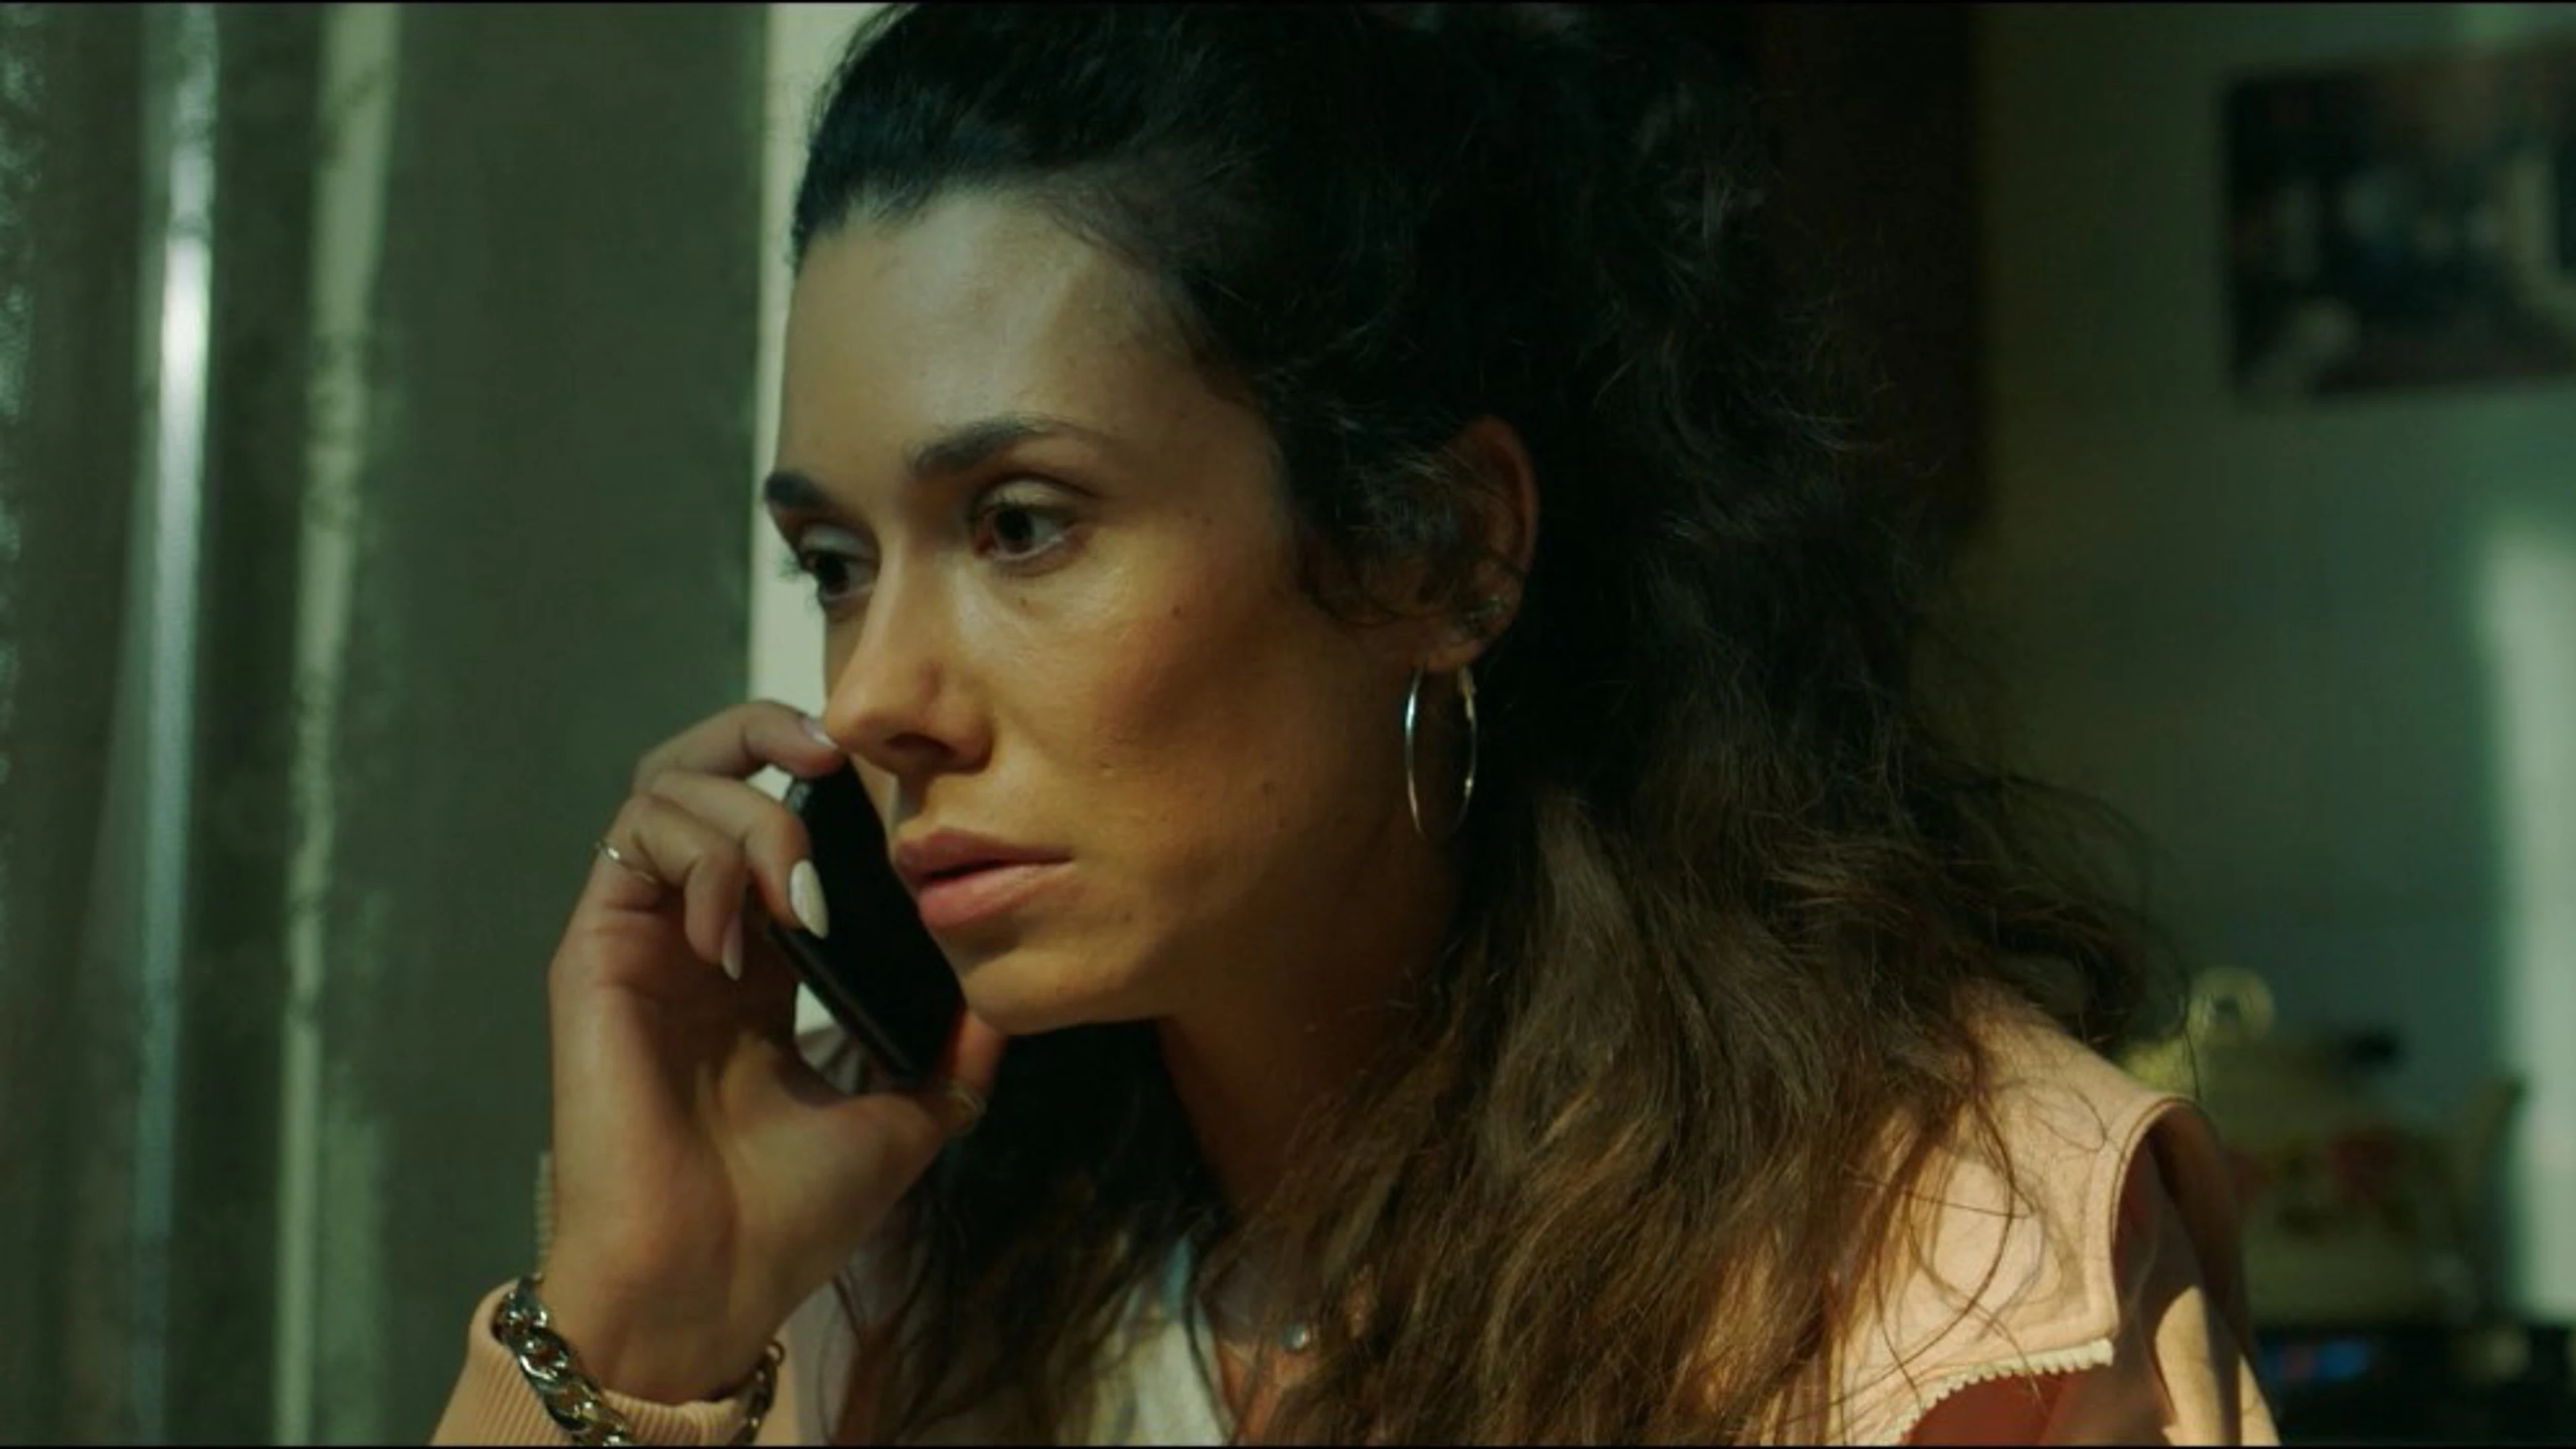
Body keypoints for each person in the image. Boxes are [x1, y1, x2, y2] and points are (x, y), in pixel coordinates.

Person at [434, 5, 2277, 1442]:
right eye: (838, 563)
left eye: (1021, 527)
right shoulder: (881, 1260)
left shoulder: (1949, 1275)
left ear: (1438, 550)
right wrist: (642, 1324)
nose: (874, 701)